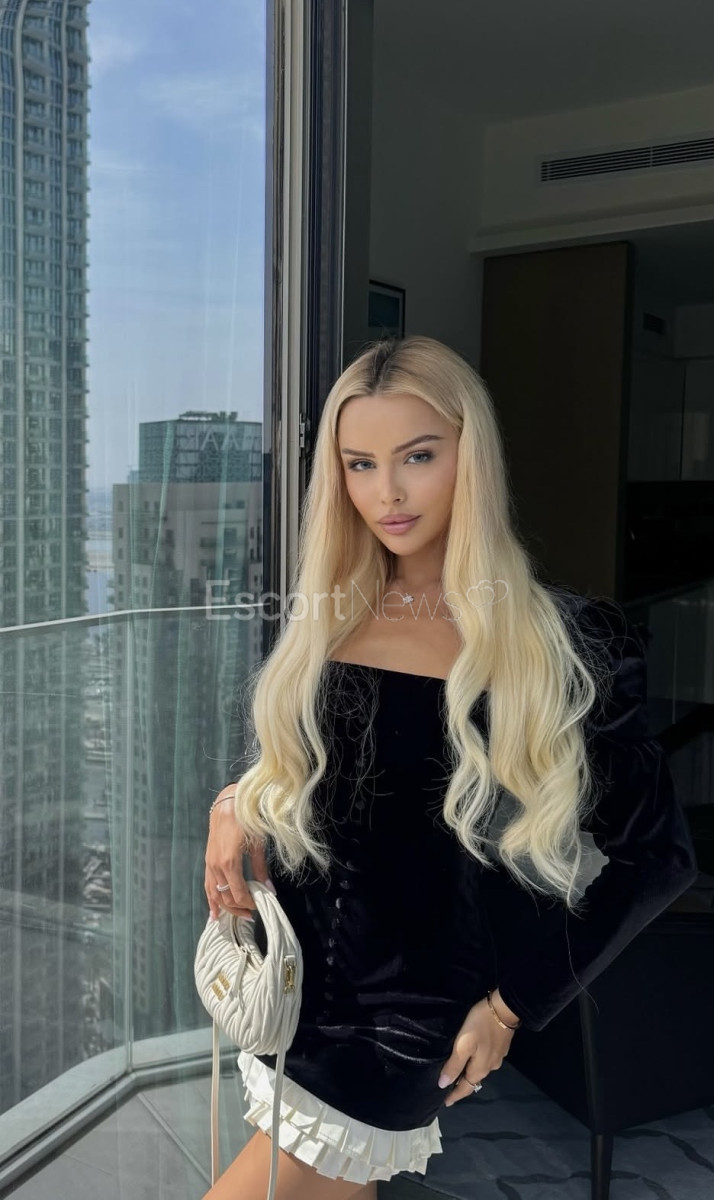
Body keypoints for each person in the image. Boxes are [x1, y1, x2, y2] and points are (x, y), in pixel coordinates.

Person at [200, 336, 698, 1200]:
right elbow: (342, 784)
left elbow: (658, 859)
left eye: (418, 457)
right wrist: (238, 799)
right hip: (292, 995)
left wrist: (512, 1007)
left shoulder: (565, 641)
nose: (386, 493)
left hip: (399, 1031)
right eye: (360, 464)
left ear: (472, 457)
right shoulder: (335, 610)